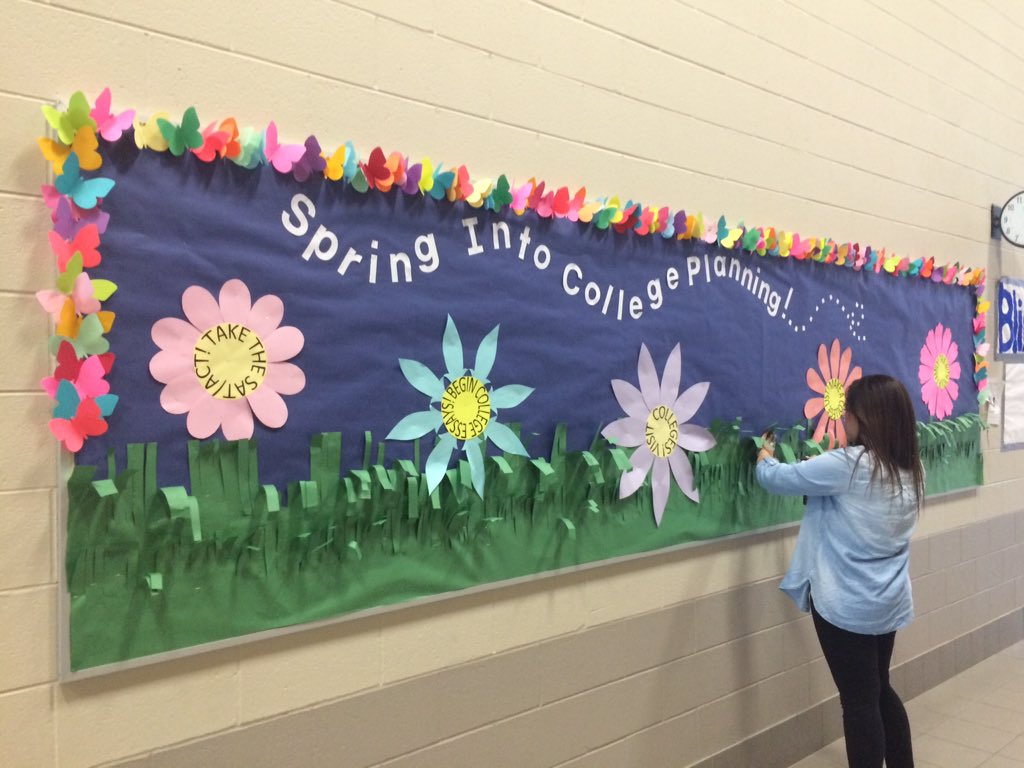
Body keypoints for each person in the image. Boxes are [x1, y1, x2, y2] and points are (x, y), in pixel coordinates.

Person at [755, 374, 924, 768]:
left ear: (867, 418)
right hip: (886, 604)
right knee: (880, 690)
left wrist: (764, 457)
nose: (844, 417)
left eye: (849, 411)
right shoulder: (910, 469)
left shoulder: (848, 466)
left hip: (845, 606)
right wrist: (824, 469)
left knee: (859, 704)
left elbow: (778, 479)